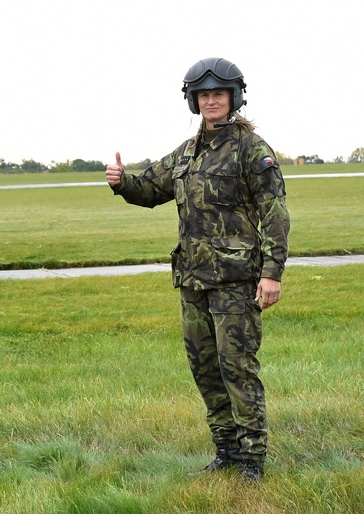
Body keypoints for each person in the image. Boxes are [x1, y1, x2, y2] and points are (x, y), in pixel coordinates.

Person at [105, 57, 290, 482]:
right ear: (194, 100)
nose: (211, 101)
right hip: (193, 281)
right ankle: (225, 450)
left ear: (234, 98)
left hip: (236, 282)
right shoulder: (187, 152)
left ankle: (252, 459)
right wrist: (121, 182)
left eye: (218, 94)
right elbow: (151, 188)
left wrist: (272, 272)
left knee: (237, 368)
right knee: (204, 368)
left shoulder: (252, 149)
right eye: (203, 94)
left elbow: (275, 214)